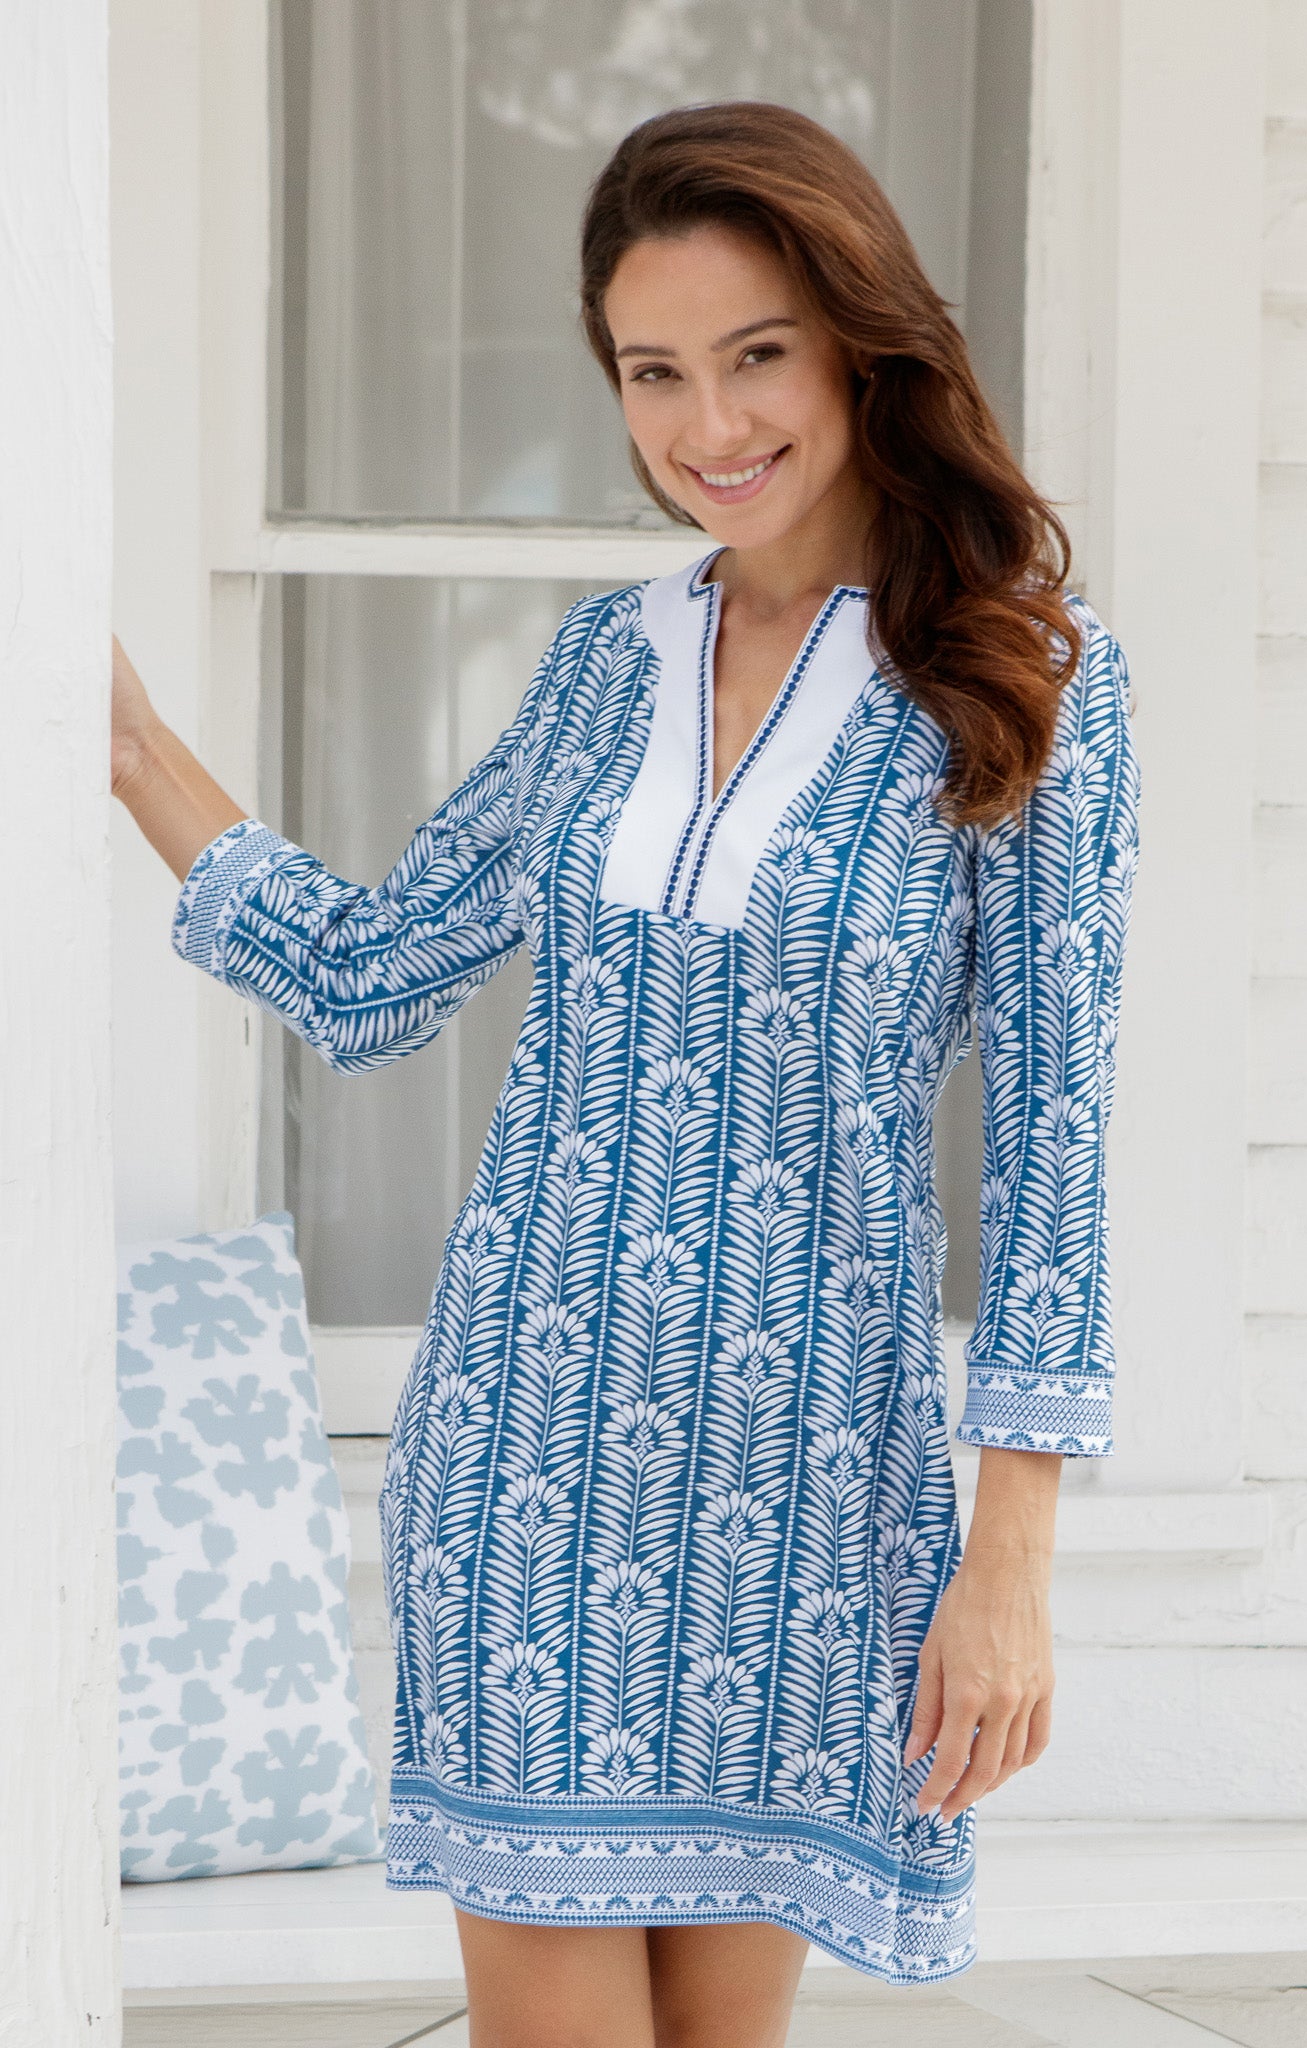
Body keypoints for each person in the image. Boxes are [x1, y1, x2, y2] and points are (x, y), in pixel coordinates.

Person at [113, 101, 1137, 2048]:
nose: (707, 423)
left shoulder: (1031, 681)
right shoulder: (606, 664)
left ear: (860, 347)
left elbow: (1056, 1160)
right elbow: (369, 975)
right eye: (652, 371)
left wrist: (1011, 1568)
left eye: (755, 354)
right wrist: (132, 742)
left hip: (811, 1494)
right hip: (527, 1463)